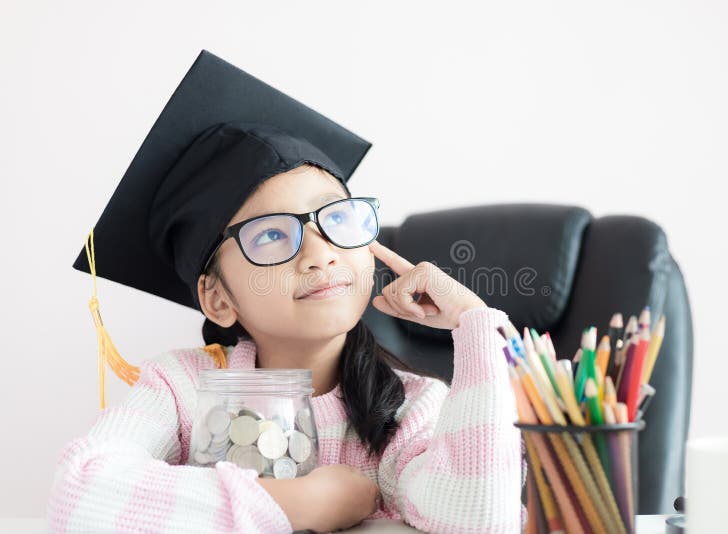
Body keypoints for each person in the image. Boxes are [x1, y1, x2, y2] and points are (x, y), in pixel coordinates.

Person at [46, 50, 526, 533]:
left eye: (337, 218)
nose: (321, 254)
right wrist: (304, 503)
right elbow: (80, 494)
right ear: (218, 298)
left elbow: (480, 520)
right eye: (272, 234)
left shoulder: (405, 407)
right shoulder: (182, 390)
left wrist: (476, 323)